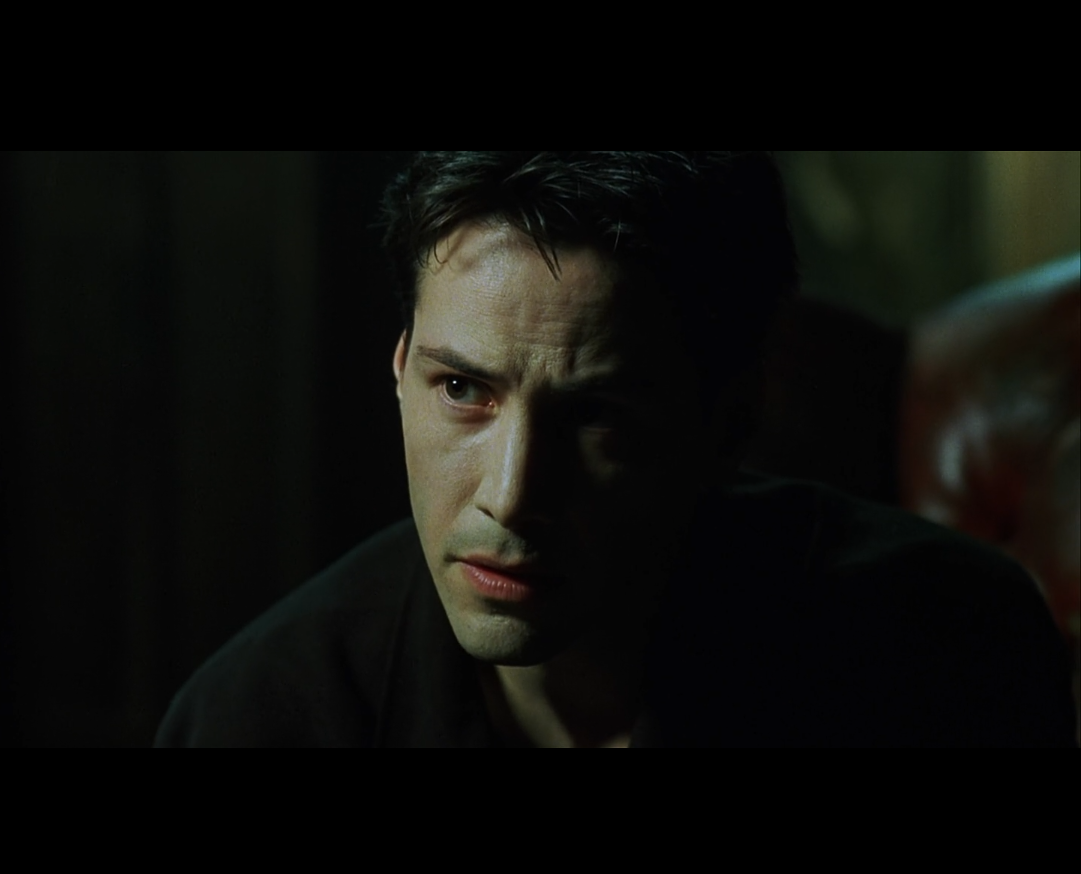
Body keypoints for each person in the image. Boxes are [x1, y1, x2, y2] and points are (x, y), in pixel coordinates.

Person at [156, 151, 1077, 748]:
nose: (511, 495)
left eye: (596, 415)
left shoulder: (947, 648)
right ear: (400, 371)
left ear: (729, 424)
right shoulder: (262, 717)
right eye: (463, 389)